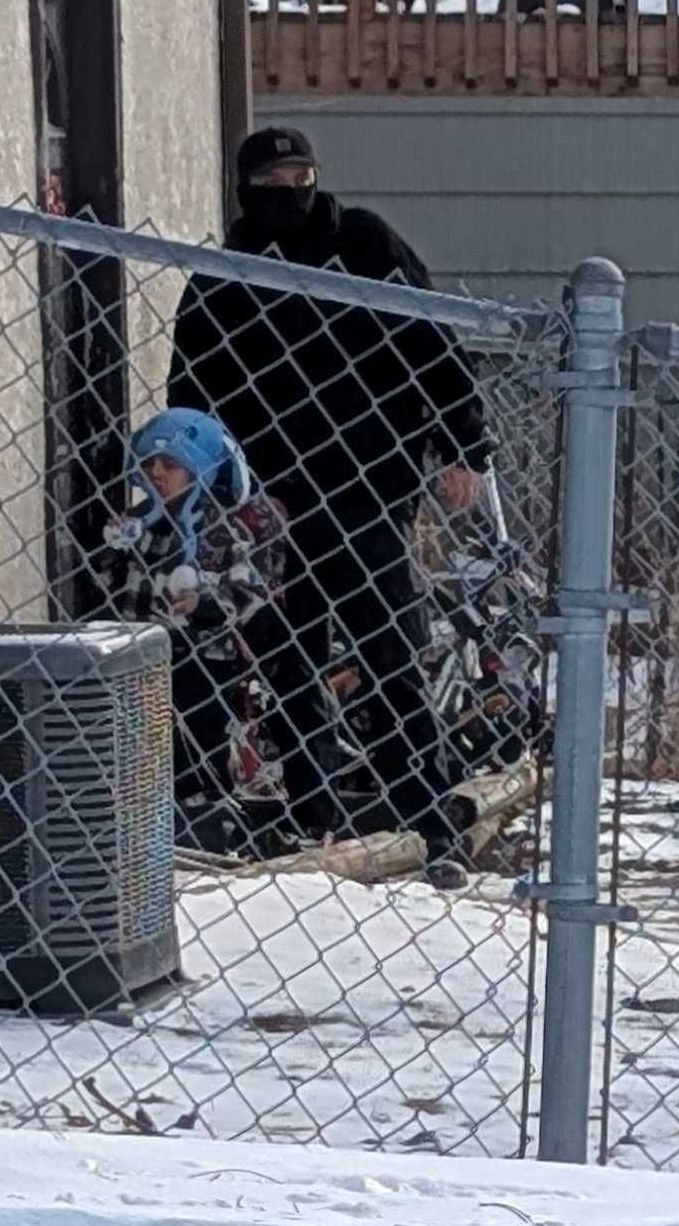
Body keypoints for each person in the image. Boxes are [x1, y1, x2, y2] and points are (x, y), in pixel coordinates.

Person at [167, 126, 492, 888]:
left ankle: (425, 816)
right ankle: (311, 815)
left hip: (369, 489)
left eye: (300, 178)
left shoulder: (364, 246)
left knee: (390, 658)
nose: (290, 194)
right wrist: (201, 484)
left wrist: (463, 445)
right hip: (270, 502)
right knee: (290, 661)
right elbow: (192, 387)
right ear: (246, 190)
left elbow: (432, 342)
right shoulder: (227, 274)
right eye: (272, 183)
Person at [93, 408, 291, 854]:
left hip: (203, 658)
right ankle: (151, 824)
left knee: (199, 742)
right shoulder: (143, 522)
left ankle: (209, 823)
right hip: (141, 654)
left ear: (200, 468)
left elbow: (248, 589)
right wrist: (113, 549)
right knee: (142, 742)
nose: (157, 474)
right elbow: (110, 582)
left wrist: (205, 604)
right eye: (150, 465)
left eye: (171, 465)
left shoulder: (223, 527)